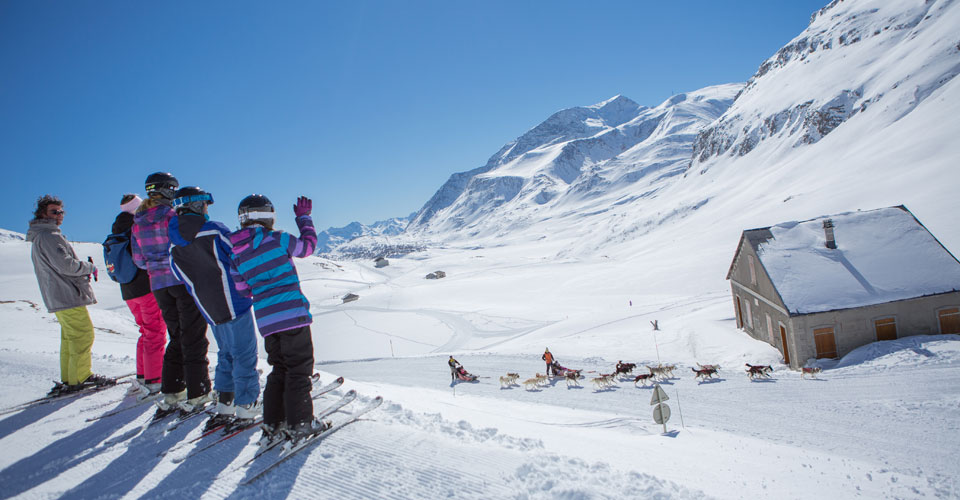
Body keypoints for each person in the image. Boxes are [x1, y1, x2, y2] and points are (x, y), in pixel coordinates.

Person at [229, 194, 325, 444]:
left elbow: (241, 289)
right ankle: (301, 423)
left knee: (279, 368)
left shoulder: (236, 253)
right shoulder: (277, 239)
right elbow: (307, 247)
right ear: (267, 216)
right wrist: (304, 218)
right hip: (292, 315)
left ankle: (273, 422)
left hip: (267, 321)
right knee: (299, 370)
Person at [167, 187, 261, 429]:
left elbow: (179, 275)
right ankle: (247, 404)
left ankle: (225, 402)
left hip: (209, 307)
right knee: (245, 354)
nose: (208, 209)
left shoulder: (174, 245)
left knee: (226, 353)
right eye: (205, 204)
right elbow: (238, 254)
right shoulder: (214, 230)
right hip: (234, 301)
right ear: (197, 206)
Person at [131, 173, 212, 417]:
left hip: (158, 286)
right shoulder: (170, 216)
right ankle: (198, 391)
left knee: (176, 336)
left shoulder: (138, 222)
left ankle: (173, 389)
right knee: (194, 336)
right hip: (180, 280)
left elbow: (139, 260)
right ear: (168, 191)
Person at [27, 195, 115, 395]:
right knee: (83, 335)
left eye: (60, 212)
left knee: (70, 337)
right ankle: (80, 377)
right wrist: (88, 266)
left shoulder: (41, 236)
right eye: (54, 211)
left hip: (58, 295)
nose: (59, 215)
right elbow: (65, 265)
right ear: (42, 213)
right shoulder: (49, 236)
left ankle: (70, 376)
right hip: (66, 294)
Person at [108, 194, 166, 399]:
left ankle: (143, 375)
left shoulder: (117, 228)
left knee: (145, 331)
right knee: (156, 332)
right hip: (145, 286)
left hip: (127, 289)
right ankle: (155, 379)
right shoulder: (135, 226)